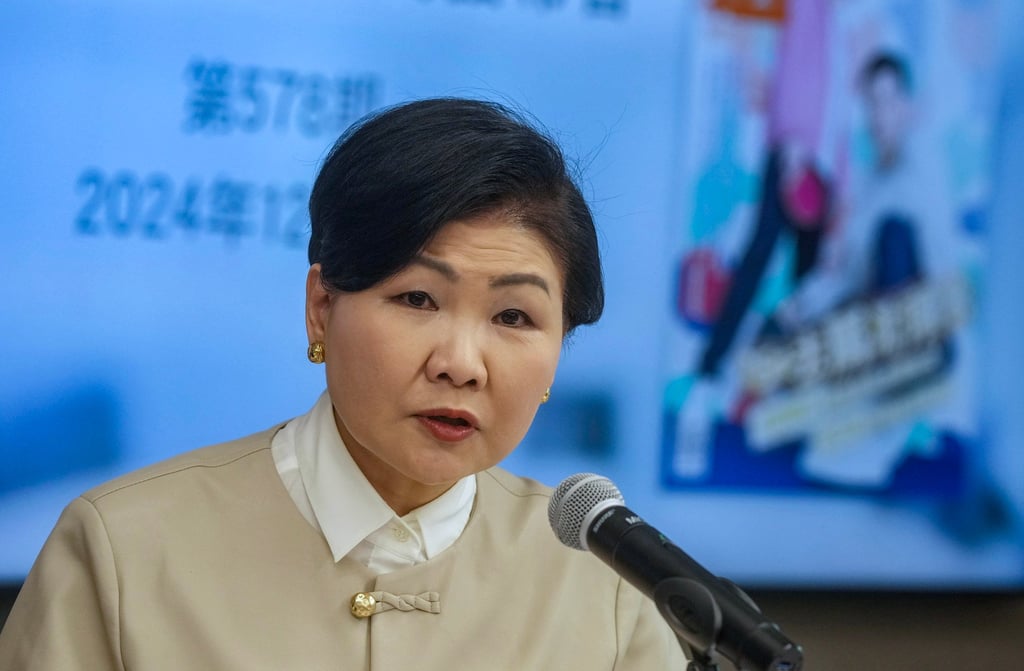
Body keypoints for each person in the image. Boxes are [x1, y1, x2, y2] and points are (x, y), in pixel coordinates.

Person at [0, 98, 687, 669]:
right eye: (417, 298)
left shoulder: (607, 585)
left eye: (514, 316)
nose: (461, 363)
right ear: (321, 307)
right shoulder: (120, 551)